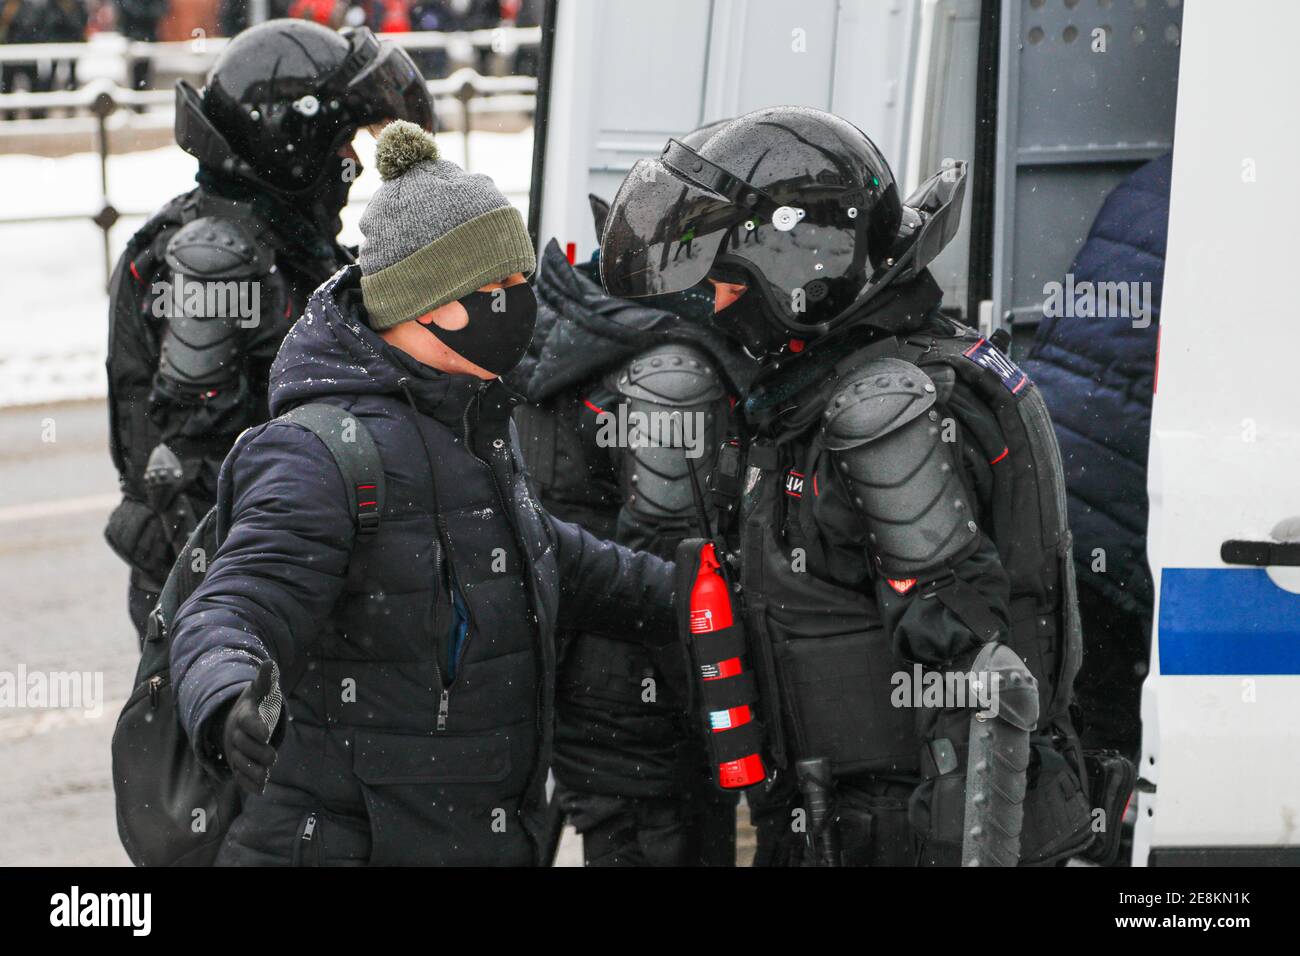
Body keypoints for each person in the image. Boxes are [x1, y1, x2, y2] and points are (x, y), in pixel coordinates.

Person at [168, 120, 678, 866]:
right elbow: (235, 601)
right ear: (430, 303)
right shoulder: (320, 451)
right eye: (498, 287)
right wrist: (227, 694)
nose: (521, 302)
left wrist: (689, 590)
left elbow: (539, 552)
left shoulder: (464, 419)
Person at [599, 106, 1095, 866]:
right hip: (837, 821)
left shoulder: (885, 411)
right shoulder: (837, 379)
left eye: (730, 283)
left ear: (803, 269)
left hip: (898, 834)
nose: (717, 307)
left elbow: (975, 689)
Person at [104, 20, 434, 644]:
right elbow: (192, 486)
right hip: (243, 601)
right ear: (295, 139)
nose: (352, 162)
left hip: (279, 582)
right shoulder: (214, 258)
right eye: (341, 142)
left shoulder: (278, 238)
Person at [507, 122, 752, 866]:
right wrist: (729, 722)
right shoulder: (667, 371)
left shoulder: (578, 331)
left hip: (580, 687)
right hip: (641, 712)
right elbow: (670, 570)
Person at [1020, 153, 1172, 759]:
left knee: (1065, 710)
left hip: (1049, 462)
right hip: (1118, 493)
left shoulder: (1159, 179)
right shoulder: (1257, 207)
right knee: (1105, 732)